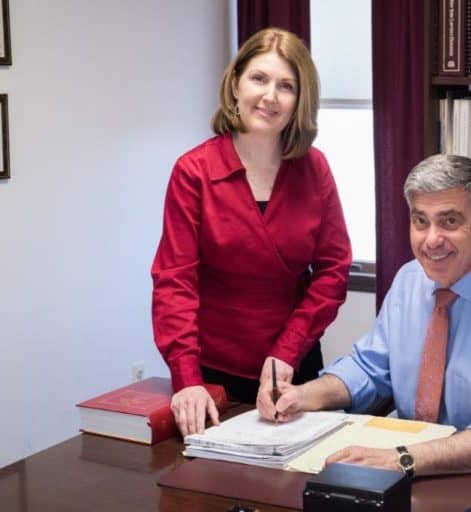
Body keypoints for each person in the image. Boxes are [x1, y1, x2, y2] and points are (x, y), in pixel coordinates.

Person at [258, 154, 471, 476]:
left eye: (449, 221)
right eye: (421, 221)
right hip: (415, 470)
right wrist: (301, 395)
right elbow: (369, 368)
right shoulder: (410, 280)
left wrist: (401, 459)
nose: (431, 240)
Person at [151, 28, 352, 437]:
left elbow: (333, 271)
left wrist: (287, 350)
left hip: (292, 369)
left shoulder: (315, 169)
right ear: (236, 84)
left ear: (300, 100)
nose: (270, 96)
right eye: (259, 79)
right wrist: (187, 378)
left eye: (286, 86)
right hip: (211, 377)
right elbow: (175, 282)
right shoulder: (194, 172)